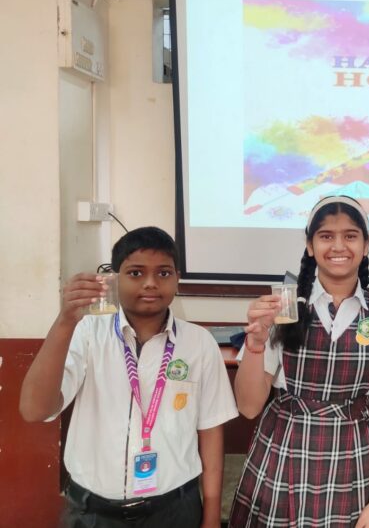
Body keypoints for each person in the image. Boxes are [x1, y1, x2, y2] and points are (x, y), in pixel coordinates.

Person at [19, 226, 238, 527]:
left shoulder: (199, 343)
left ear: (177, 279)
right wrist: (66, 320)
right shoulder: (88, 332)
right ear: (114, 278)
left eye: (163, 273)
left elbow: (210, 430)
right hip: (92, 512)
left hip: (174, 509)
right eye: (135, 273)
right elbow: (34, 410)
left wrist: (211, 514)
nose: (150, 283)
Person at [229, 196, 369, 527]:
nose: (338, 246)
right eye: (326, 236)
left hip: (354, 462)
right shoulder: (283, 305)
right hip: (283, 455)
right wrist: (255, 344)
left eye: (350, 235)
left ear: (366, 245)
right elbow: (249, 407)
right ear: (310, 245)